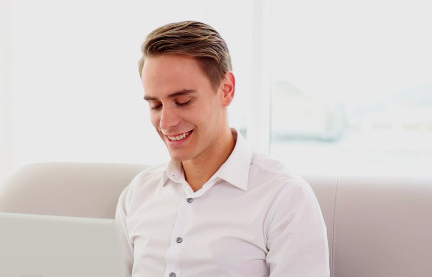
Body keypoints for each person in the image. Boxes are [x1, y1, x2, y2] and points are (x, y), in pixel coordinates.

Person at [115, 21, 330, 277]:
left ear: (226, 90)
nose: (166, 123)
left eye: (182, 101)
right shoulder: (137, 194)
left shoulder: (284, 198)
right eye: (155, 106)